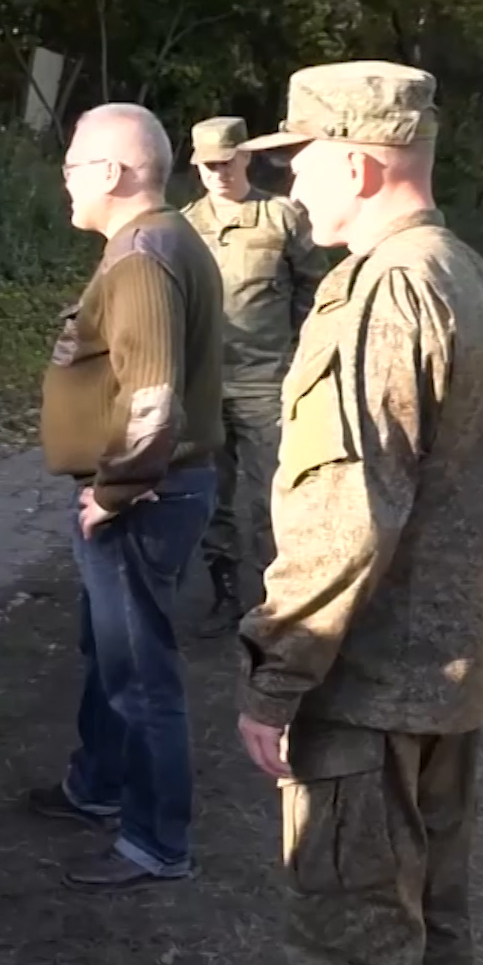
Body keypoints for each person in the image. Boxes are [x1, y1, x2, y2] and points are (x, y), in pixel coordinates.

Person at [234, 61, 483, 965]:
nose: (291, 184)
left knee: (356, 953)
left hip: (371, 690)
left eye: (301, 158)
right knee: (434, 923)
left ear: (355, 165)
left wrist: (278, 676)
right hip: (449, 680)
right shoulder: (475, 278)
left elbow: (344, 510)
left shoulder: (385, 291)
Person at [28, 104, 224, 890]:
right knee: (108, 652)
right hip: (157, 489)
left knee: (140, 670)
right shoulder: (164, 239)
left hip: (146, 497)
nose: (64, 177)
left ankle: (155, 840)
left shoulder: (143, 253)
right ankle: (99, 785)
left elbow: (152, 398)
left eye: (74, 162)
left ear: (112, 173)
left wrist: (115, 490)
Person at [179, 117, 326, 634]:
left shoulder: (282, 217)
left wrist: (301, 360)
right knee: (210, 496)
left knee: (274, 496)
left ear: (245, 158)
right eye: (207, 165)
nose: (218, 173)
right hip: (205, 384)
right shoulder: (183, 225)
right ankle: (222, 595)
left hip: (267, 382)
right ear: (196, 166)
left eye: (226, 162)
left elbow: (314, 293)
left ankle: (277, 603)